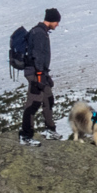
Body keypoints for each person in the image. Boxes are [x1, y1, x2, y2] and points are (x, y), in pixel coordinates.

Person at [19, 8, 61, 144]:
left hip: (41, 73)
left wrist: (45, 75)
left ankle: (50, 130)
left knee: (49, 99)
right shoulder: (39, 33)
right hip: (35, 73)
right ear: (51, 20)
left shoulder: (41, 32)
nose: (57, 25)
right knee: (33, 103)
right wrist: (39, 75)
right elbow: (37, 55)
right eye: (57, 22)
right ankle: (26, 136)